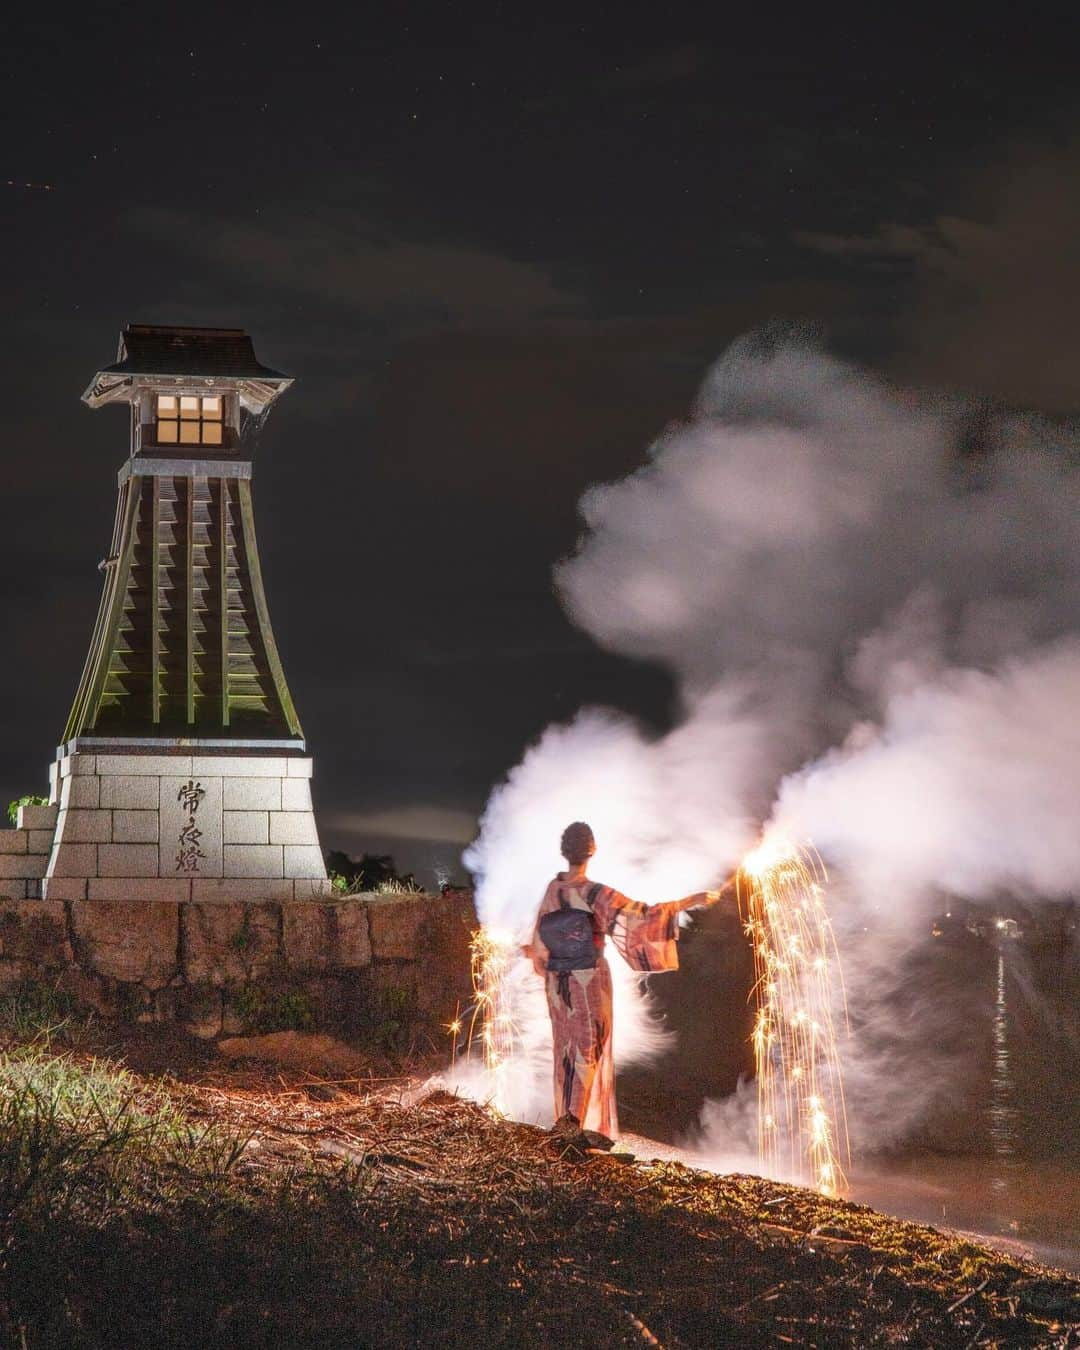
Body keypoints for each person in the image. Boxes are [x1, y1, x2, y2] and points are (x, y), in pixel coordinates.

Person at [526, 820, 729, 1138]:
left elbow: (538, 942)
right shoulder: (595, 894)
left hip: (557, 984)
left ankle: (566, 1120)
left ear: (565, 851)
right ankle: (573, 1127)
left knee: (565, 1051)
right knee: (587, 1048)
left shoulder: (553, 889)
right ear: (591, 850)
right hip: (587, 980)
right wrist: (690, 901)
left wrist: (541, 956)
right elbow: (643, 916)